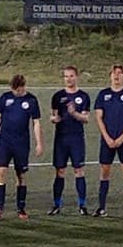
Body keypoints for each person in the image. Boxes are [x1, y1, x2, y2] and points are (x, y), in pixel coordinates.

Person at [0, 74, 43, 220]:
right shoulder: (5, 98)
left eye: (17, 90)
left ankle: (21, 208)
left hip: (22, 143)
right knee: (1, 172)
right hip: (5, 142)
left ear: (22, 87)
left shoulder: (31, 100)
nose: (15, 92)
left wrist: (39, 143)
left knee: (21, 175)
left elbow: (36, 122)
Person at [94, 64, 123, 216]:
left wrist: (122, 138)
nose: (116, 76)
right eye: (114, 73)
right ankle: (101, 208)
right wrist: (107, 137)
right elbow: (99, 118)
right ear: (110, 76)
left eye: (120, 73)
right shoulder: (103, 95)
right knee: (105, 170)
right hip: (107, 140)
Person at [49, 65, 93, 215]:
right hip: (61, 138)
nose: (68, 79)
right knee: (60, 171)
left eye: (71, 76)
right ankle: (56, 205)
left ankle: (82, 205)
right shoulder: (57, 96)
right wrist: (55, 119)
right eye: (66, 76)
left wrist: (74, 113)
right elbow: (53, 116)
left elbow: (86, 118)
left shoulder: (84, 96)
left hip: (76, 138)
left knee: (78, 170)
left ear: (77, 77)